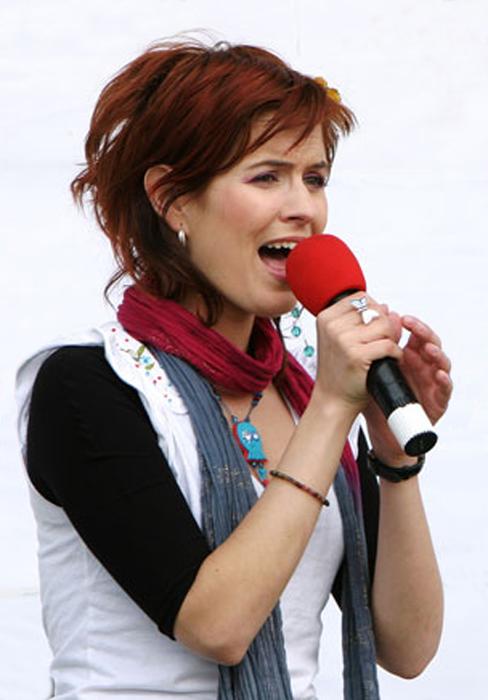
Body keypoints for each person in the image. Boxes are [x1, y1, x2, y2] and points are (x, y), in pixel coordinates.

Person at [16, 39, 452, 700]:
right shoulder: (86, 384)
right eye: (267, 176)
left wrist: (393, 460)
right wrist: (332, 410)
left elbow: (409, 647)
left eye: (315, 178)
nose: (303, 208)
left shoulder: (301, 394)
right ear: (172, 199)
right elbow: (216, 624)